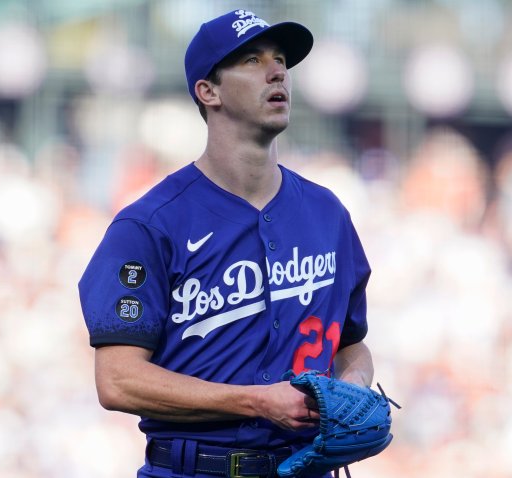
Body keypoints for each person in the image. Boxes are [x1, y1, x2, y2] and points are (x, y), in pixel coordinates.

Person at [78, 9, 375, 478]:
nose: (277, 70)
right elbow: (118, 381)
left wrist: (354, 388)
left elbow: (351, 344)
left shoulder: (327, 214)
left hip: (304, 468)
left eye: (280, 59)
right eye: (252, 61)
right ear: (208, 91)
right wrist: (256, 401)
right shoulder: (150, 224)